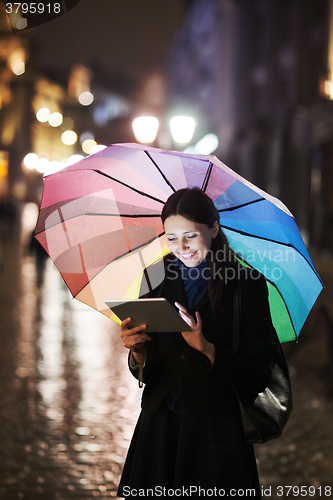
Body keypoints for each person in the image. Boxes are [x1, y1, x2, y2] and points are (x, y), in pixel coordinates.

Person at [118, 188, 274, 499]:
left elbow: (260, 374)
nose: (182, 247)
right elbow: (147, 370)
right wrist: (137, 351)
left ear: (214, 229)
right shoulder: (156, 275)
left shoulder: (246, 285)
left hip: (217, 432)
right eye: (172, 237)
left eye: (191, 235)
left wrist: (208, 349)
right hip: (161, 426)